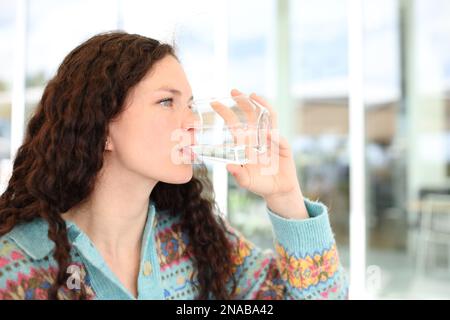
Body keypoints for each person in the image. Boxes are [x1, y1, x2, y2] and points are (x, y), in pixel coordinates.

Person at [0, 32, 348, 300]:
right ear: (102, 127)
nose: (193, 121)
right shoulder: (17, 267)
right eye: (167, 101)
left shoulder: (195, 242)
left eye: (191, 104)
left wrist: (285, 196)